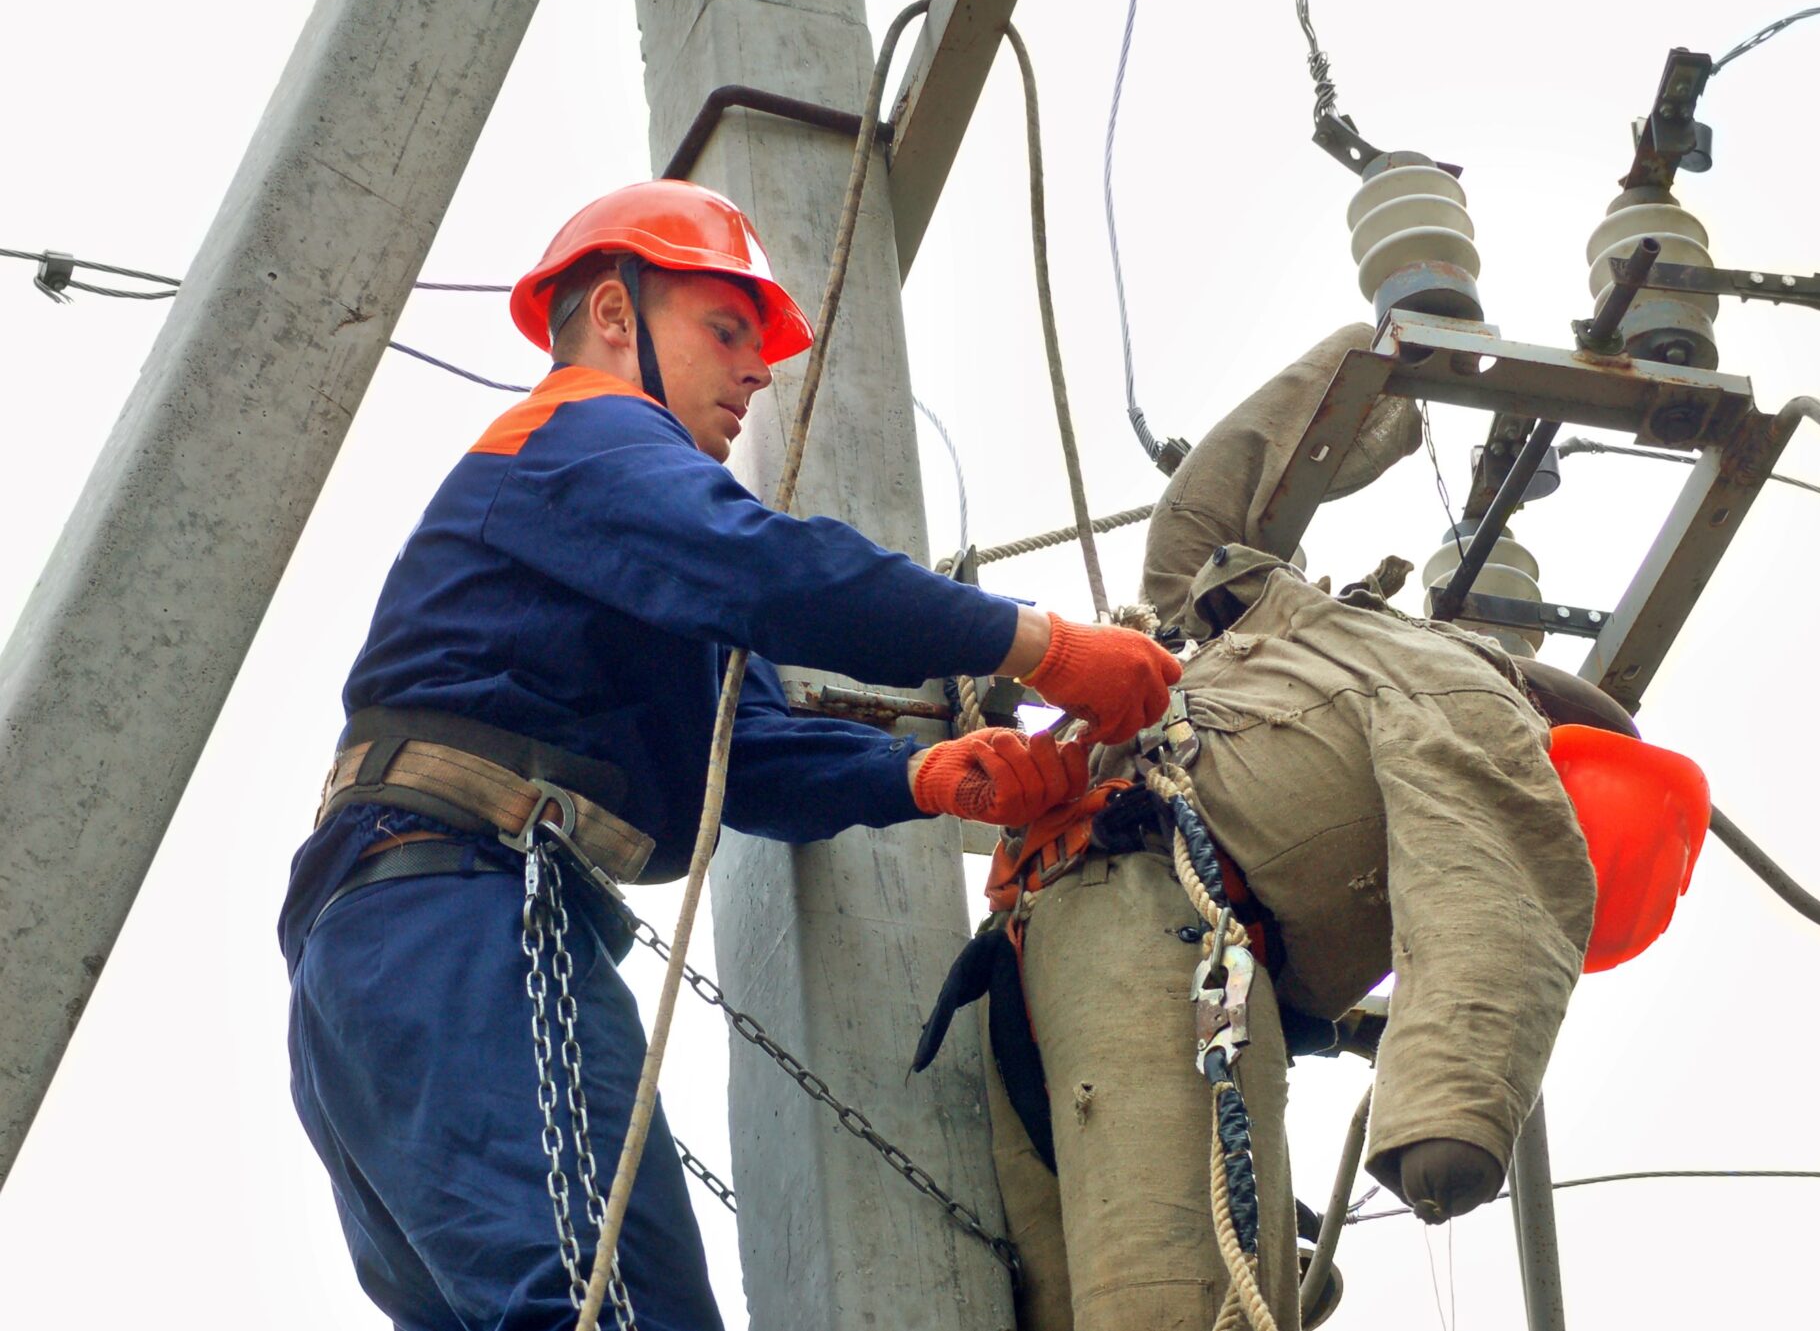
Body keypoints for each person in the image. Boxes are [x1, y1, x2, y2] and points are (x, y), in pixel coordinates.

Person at [280, 178, 1183, 1331]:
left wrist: (924, 775)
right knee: (597, 1304)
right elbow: (778, 572)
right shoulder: (580, 433)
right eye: (724, 330)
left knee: (621, 1304)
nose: (757, 373)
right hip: (452, 912)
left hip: (412, 936)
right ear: (613, 316)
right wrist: (1043, 644)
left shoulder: (635, 535)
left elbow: (741, 750)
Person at [921, 325, 1601, 1330]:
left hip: (1168, 952)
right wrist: (1364, 379)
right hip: (1044, 953)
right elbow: (1201, 512)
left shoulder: (1458, 695)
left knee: (1157, 1305)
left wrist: (1451, 1106)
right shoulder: (1288, 636)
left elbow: (1487, 890)